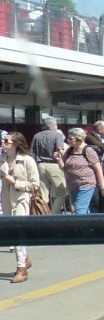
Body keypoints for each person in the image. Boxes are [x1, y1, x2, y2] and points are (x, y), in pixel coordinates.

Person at [2, 132, 40, 283]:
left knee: (18, 233)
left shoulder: (27, 161)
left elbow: (35, 185)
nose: (3, 143)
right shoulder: (2, 159)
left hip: (22, 199)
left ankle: (21, 269)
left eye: (6, 141)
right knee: (11, 233)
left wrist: (14, 182)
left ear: (15, 144)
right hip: (6, 200)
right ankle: (24, 258)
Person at [55, 127, 104, 215]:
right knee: (84, 210)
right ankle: (89, 227)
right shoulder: (69, 150)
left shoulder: (88, 150)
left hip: (86, 185)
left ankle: (78, 228)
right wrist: (59, 160)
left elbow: (98, 169)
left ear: (79, 139)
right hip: (73, 185)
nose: (68, 140)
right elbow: (64, 169)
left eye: (71, 138)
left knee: (79, 210)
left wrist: (102, 187)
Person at [29, 117, 67, 214]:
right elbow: (60, 151)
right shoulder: (57, 135)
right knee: (61, 192)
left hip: (40, 165)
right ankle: (53, 214)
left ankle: (42, 214)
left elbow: (32, 152)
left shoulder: (36, 136)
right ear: (54, 125)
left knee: (42, 194)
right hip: (54, 165)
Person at [84, 120, 104, 213]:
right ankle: (96, 217)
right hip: (97, 170)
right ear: (100, 129)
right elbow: (102, 148)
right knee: (97, 198)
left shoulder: (103, 138)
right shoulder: (90, 137)